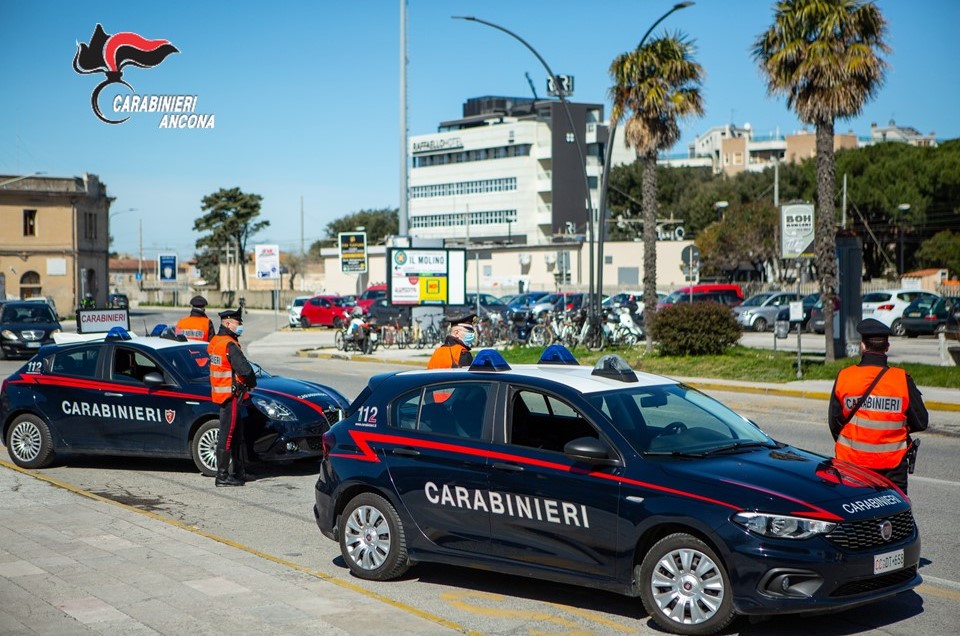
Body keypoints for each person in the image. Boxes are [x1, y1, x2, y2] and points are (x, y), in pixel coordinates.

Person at [829, 318, 928, 494]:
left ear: (863, 346)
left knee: (855, 516)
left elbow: (834, 423)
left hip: (851, 465)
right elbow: (921, 421)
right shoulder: (901, 380)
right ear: (887, 347)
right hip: (892, 468)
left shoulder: (845, 377)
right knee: (893, 517)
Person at [208, 308, 257, 487]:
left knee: (236, 434)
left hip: (222, 393)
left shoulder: (215, 341)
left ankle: (238, 471)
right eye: (238, 323)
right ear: (228, 323)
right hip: (231, 396)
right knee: (228, 435)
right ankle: (222, 476)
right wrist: (252, 382)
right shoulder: (229, 344)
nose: (240, 326)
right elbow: (245, 370)